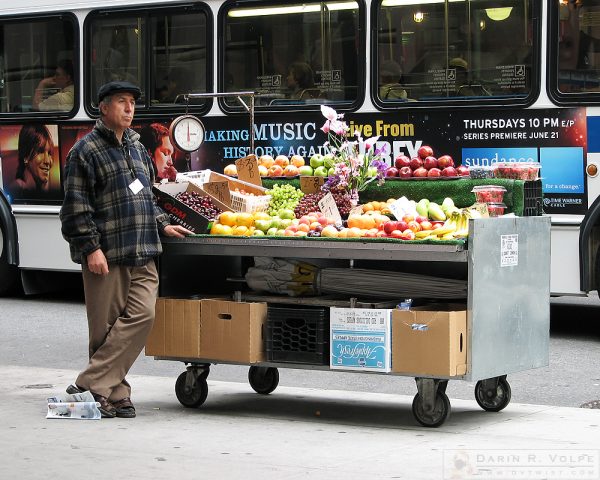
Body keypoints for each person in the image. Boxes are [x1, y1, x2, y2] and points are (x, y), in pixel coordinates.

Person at [59, 80, 192, 418]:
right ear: (103, 108)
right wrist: (91, 249)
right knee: (105, 330)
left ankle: (88, 385)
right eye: (121, 102)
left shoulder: (136, 147)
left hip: (143, 248)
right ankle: (116, 395)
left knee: (143, 316)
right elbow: (75, 209)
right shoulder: (85, 151)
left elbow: (147, 195)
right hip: (109, 253)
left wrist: (162, 223)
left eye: (132, 102)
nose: (129, 108)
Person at [10, 125, 55, 198]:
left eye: (49, 153)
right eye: (40, 152)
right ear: (25, 156)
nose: (47, 161)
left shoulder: (42, 188)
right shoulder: (16, 189)